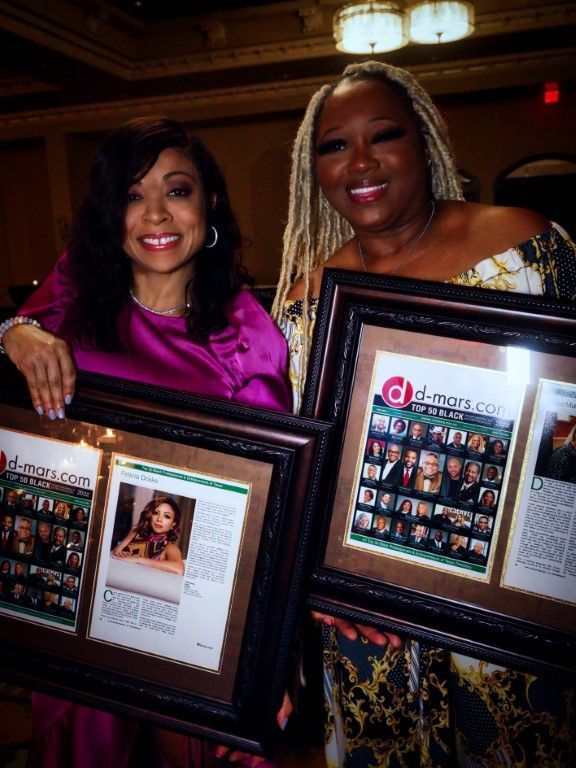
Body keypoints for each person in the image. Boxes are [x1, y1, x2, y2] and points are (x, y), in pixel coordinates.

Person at [272, 60, 576, 768]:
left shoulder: (523, 248)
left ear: (426, 141)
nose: (361, 162)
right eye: (335, 145)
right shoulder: (306, 303)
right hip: (370, 619)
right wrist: (320, 578)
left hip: (515, 601)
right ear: (313, 170)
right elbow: (307, 464)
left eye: (384, 135)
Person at [1, 116, 292, 768]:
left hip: (189, 619)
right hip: (73, 603)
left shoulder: (246, 336)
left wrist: (262, 659)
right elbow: (17, 363)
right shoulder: (74, 292)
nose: (155, 213)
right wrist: (12, 331)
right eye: (134, 195)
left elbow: (271, 511)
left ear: (209, 202)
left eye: (176, 190)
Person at [112, 495, 185, 574]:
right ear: (150, 515)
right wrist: (123, 553)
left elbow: (179, 569)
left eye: (166, 516)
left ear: (173, 524)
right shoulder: (136, 533)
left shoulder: (170, 548)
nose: (159, 519)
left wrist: (138, 559)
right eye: (155, 513)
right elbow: (115, 552)